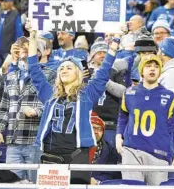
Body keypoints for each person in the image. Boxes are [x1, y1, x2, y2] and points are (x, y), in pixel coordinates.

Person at [28, 29, 119, 184]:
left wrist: (115, 44)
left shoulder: (87, 94)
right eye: (61, 68)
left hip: (78, 154)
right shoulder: (50, 94)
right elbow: (34, 70)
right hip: (51, 153)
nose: (64, 70)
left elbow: (104, 72)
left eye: (69, 68)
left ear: (78, 73)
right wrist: (32, 37)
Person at [116, 54, 174, 185]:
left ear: (160, 71)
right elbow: (123, 117)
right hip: (132, 150)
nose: (152, 69)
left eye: (156, 66)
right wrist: (119, 136)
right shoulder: (129, 93)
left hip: (159, 153)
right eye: (148, 66)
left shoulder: (170, 97)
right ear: (141, 70)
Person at [0, 34, 56, 183]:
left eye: (27, 46)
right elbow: (4, 107)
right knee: (12, 184)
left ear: (39, 52)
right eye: (20, 46)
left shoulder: (49, 74)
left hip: (34, 140)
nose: (22, 48)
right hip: (13, 141)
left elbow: (53, 103)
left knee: (36, 184)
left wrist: (37, 111)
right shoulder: (11, 76)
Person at [90, 112, 120, 185]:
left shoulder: (109, 150)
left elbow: (112, 173)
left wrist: (97, 180)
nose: (96, 132)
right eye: (93, 128)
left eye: (99, 129)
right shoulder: (76, 147)